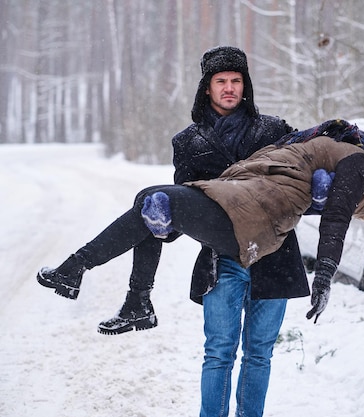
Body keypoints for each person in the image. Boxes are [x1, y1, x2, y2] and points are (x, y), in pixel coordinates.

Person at [61, 45, 310, 417]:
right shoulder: (187, 142)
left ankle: (128, 295)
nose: (229, 88)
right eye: (221, 81)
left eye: (236, 81)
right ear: (206, 88)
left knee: (259, 353)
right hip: (222, 259)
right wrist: (164, 228)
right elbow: (188, 207)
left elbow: (298, 179)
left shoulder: (273, 130)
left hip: (273, 256)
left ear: (246, 86)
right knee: (218, 353)